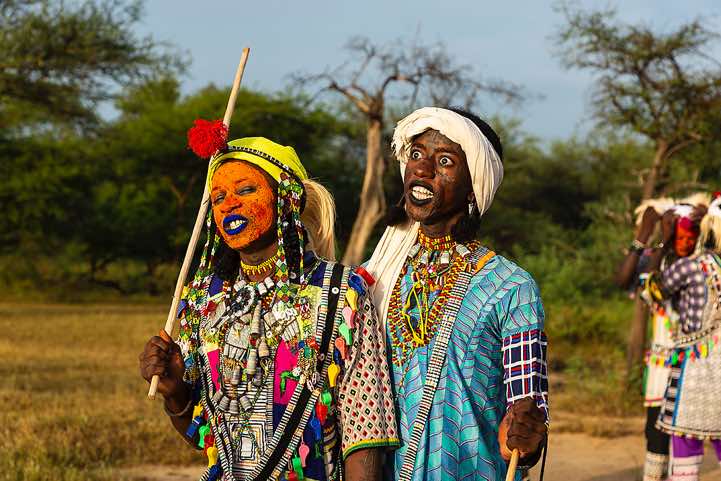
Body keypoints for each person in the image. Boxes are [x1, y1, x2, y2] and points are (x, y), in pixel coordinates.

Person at [139, 136, 399, 481]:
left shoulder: (340, 292)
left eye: (245, 191)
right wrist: (175, 394)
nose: (229, 204)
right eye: (218, 197)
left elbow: (366, 433)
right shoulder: (201, 300)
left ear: (286, 197)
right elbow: (203, 437)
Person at [365, 107, 548, 481]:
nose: (422, 168)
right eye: (416, 155)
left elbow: (528, 407)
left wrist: (528, 434)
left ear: (473, 186)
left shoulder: (510, 287)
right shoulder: (376, 277)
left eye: (444, 160)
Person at [616, 195, 708, 481]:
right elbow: (623, 280)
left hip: (692, 361)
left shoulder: (699, 263)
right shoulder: (657, 258)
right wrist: (645, 234)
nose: (673, 227)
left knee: (685, 435)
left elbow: (656, 288)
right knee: (654, 432)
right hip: (660, 363)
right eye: (669, 222)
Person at [645, 194, 721, 481]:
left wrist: (663, 244)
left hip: (695, 372)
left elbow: (652, 290)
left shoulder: (692, 266)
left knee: (685, 455)